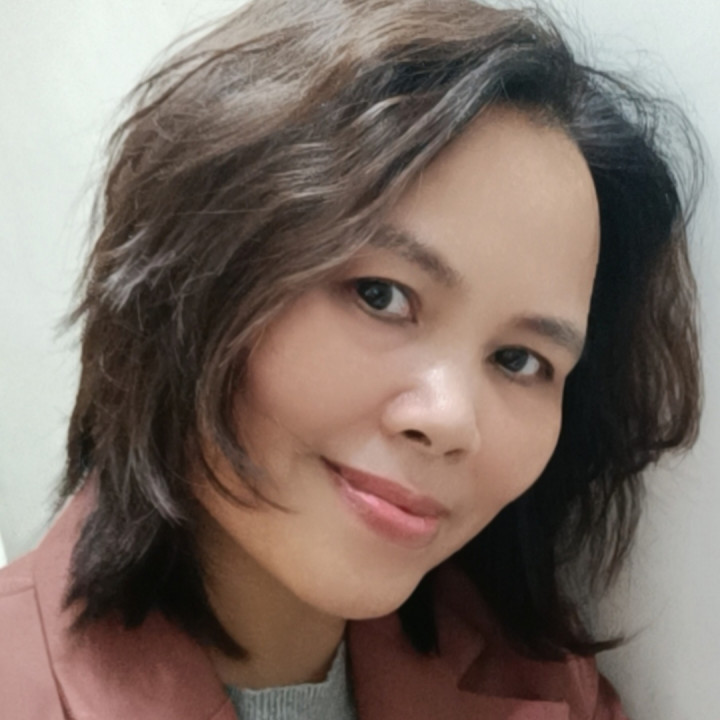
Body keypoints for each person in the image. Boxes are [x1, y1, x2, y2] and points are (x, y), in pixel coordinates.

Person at [0, 0, 703, 718]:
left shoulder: (538, 675)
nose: (451, 419)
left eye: (520, 360)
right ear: (193, 276)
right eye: (380, 295)